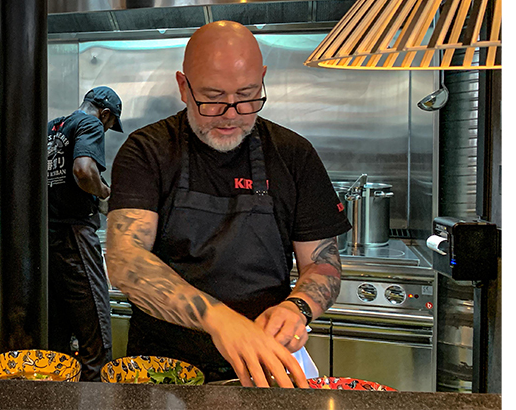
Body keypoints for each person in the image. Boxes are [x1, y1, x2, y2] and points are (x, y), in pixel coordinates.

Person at [104, 21, 349, 388]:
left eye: (247, 95)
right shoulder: (147, 151)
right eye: (213, 97)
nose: (231, 113)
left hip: (266, 370)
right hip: (162, 375)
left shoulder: (294, 155)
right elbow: (125, 258)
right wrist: (219, 319)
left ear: (262, 79)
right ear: (184, 87)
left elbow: (322, 264)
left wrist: (296, 308)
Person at [45, 87, 124, 381]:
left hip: (47, 240)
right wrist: (104, 194)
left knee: (57, 342)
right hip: (75, 237)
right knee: (96, 342)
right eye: (109, 123)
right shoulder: (90, 123)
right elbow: (83, 170)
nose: (105, 129)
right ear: (104, 114)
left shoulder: (53, 127)